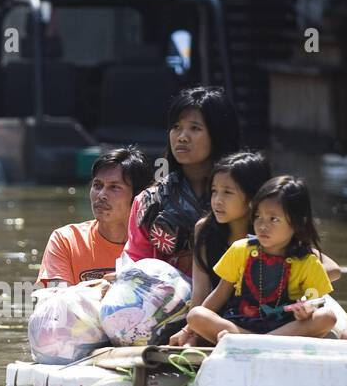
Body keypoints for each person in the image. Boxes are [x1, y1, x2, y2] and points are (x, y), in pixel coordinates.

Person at [185, 175, 339, 342]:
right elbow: (220, 294)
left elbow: (315, 301)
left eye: (273, 219)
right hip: (239, 323)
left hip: (284, 329)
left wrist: (306, 309)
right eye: (258, 216)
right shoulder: (240, 249)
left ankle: (248, 342)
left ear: (297, 222)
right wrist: (188, 331)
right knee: (196, 315)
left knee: (327, 317)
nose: (263, 226)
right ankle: (257, 341)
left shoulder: (307, 262)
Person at [124, 85, 240, 278]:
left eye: (194, 128)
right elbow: (136, 263)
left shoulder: (246, 195)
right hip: (164, 301)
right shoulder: (149, 201)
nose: (182, 137)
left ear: (218, 134)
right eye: (176, 127)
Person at [37, 146, 153, 286]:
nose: (101, 195)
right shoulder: (66, 240)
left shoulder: (156, 245)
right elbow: (54, 301)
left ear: (138, 196)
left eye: (114, 187)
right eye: (97, 185)